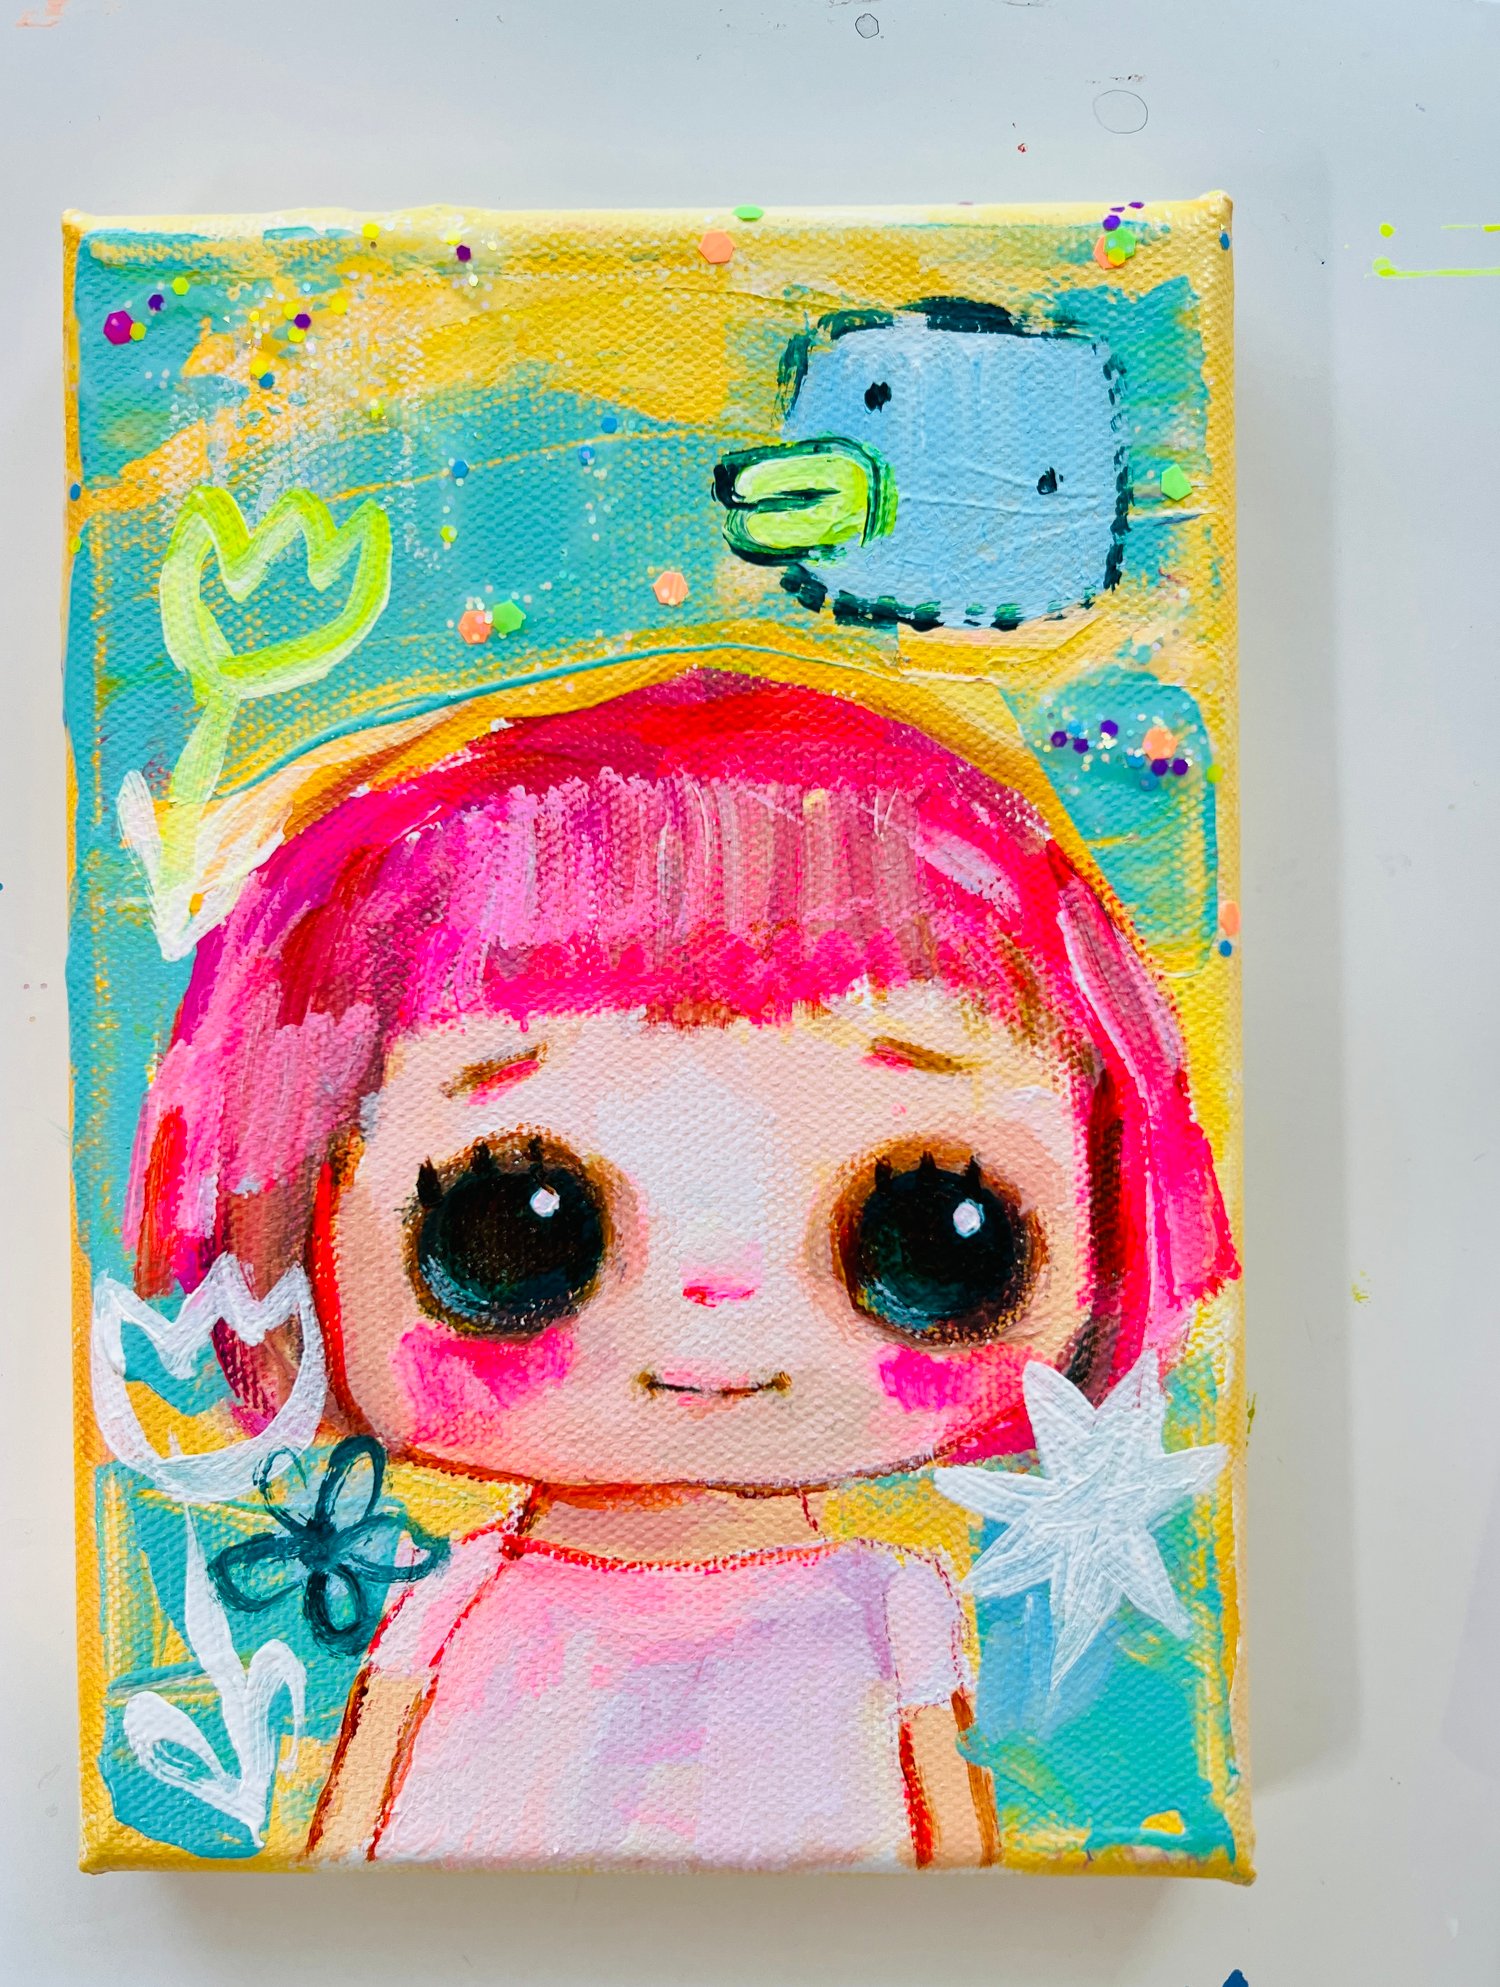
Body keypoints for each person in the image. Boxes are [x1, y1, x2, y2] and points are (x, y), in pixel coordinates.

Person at [125, 669, 1235, 1870]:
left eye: (928, 1233)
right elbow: (348, 1843)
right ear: (298, 1204)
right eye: (518, 1231)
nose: (721, 1301)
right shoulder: (454, 1596)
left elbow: (950, 1847)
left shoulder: (894, 1609)